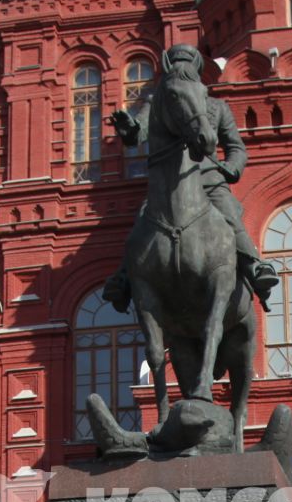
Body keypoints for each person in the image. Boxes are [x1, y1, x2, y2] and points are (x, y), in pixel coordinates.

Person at [104, 44, 280, 309]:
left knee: (229, 213)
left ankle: (254, 265)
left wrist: (233, 167)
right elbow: (138, 134)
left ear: (196, 68)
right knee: (142, 221)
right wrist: (128, 127)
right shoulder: (159, 104)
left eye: (186, 63)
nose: (180, 68)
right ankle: (124, 278)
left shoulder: (216, 107)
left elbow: (235, 147)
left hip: (210, 181)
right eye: (175, 64)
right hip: (169, 187)